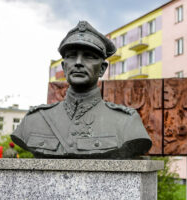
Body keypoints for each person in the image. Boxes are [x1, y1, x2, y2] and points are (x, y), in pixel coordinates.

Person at [11, 21, 152, 159]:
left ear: (102, 69)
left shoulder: (126, 122)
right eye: (71, 56)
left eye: (89, 56)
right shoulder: (34, 120)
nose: (78, 62)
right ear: (64, 66)